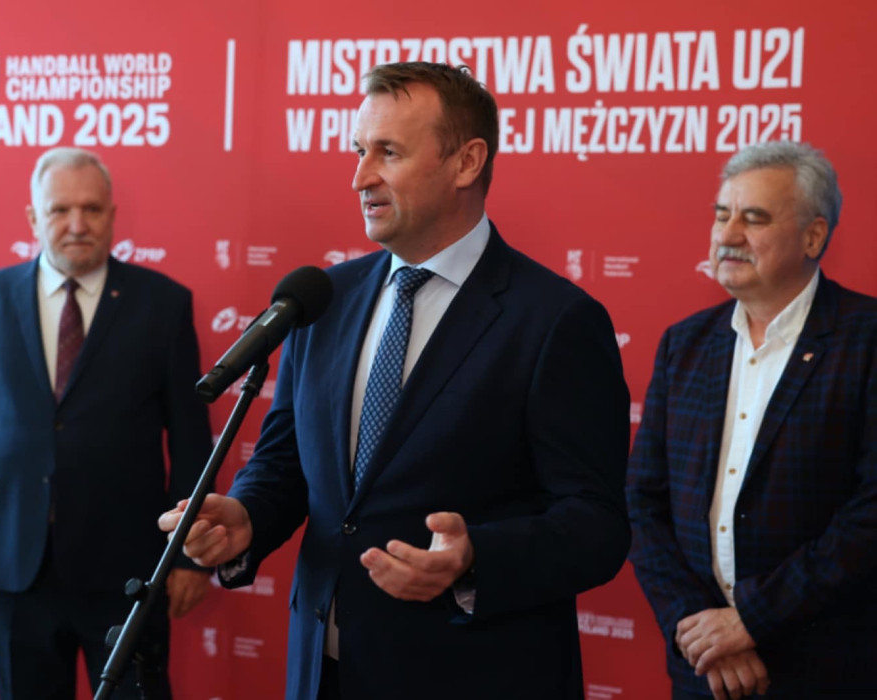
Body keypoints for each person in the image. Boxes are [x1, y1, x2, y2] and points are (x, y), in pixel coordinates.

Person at [159, 62, 630, 700]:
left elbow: (596, 525)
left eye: (388, 152)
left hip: (473, 678)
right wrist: (245, 516)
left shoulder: (554, 320)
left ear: (467, 162)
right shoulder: (324, 299)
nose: (360, 177)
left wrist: (474, 557)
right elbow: (285, 465)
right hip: (323, 674)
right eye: (360, 151)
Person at [0, 147, 214, 699]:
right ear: (33, 217)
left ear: (112, 216)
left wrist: (190, 556)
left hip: (128, 568)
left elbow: (192, 441)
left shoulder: (163, 305)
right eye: (60, 210)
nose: (77, 225)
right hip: (15, 565)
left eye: (92, 209)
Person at [626, 141, 877, 699]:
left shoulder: (866, 340)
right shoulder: (685, 344)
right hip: (703, 670)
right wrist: (697, 626)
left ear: (813, 236)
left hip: (825, 670)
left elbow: (870, 516)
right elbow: (643, 502)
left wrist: (750, 621)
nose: (728, 234)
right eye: (722, 215)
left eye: (754, 218)